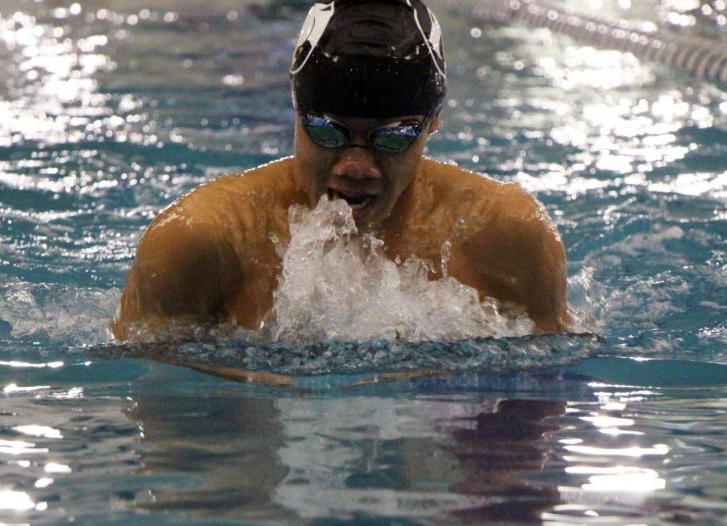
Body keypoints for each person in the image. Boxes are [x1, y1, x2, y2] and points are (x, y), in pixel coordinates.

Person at [111, 0, 569, 342]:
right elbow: (163, 422)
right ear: (296, 114)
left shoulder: (507, 236)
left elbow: (541, 416)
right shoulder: (201, 241)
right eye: (328, 132)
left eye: (391, 138)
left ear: (432, 126)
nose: (355, 167)